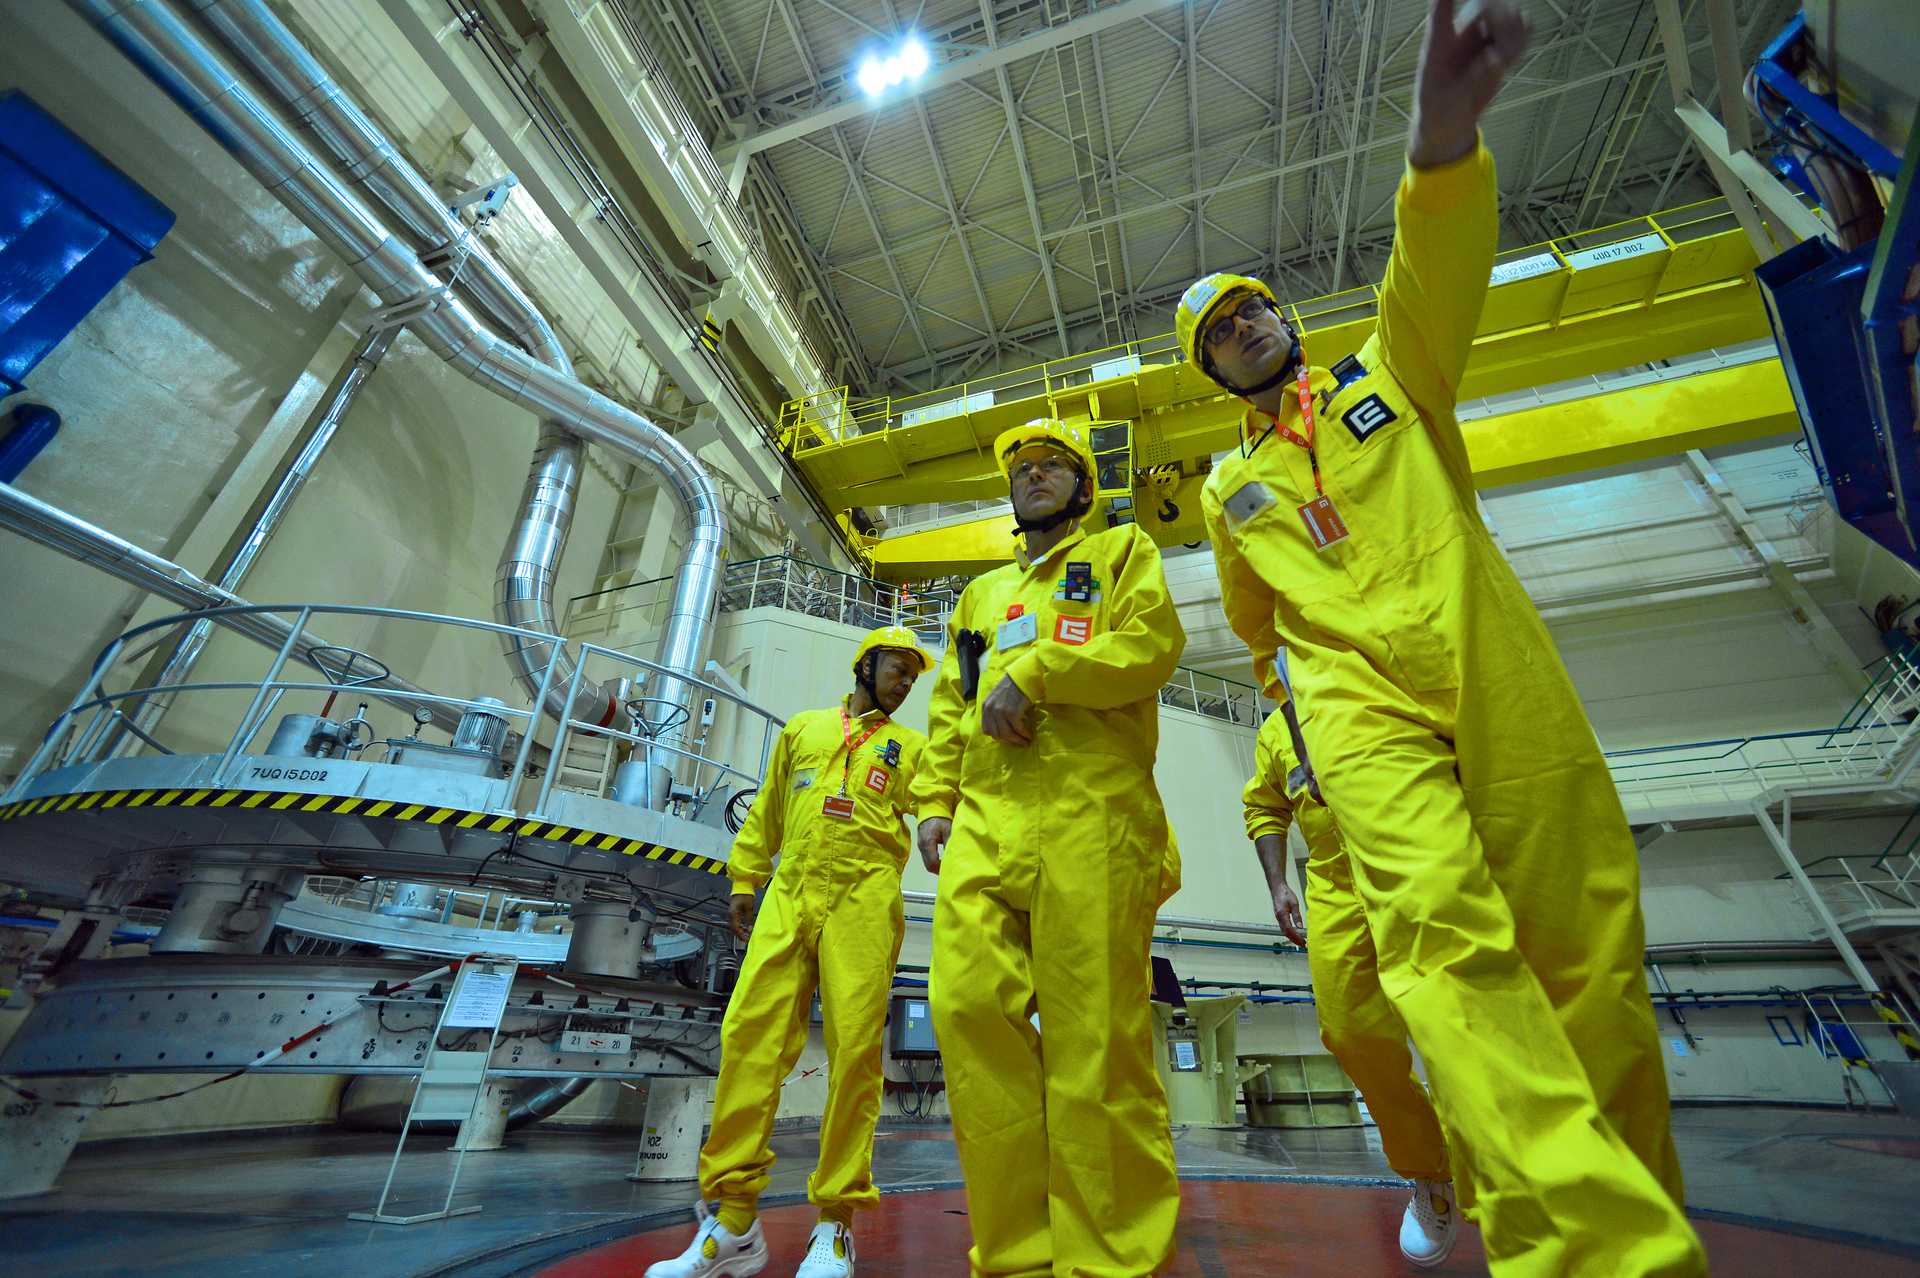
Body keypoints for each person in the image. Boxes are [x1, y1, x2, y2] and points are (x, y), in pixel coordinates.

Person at [1180, 0, 1707, 1272]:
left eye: (1251, 308)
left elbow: (1433, 269)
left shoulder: (1388, 375)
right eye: (1218, 333)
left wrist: (1440, 148)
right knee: (1437, 940)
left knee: (1584, 950)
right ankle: (1589, 1249)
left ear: (1283, 317)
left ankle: (1635, 1199)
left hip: (1488, 656)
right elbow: (1258, 633)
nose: (1245, 327)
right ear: (1211, 374)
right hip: (1352, 707)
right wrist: (1304, 731)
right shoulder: (1228, 490)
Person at [912, 417, 1186, 1278]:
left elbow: (1149, 647)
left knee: (1094, 1041)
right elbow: (953, 703)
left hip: (1090, 816)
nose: (1034, 475)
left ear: (1084, 487)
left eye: (1053, 465)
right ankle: (1018, 1251)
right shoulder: (980, 597)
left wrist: (1039, 672)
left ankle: (1107, 1256)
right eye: (1022, 467)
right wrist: (933, 798)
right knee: (963, 1009)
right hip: (986, 818)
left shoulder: (1120, 554)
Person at [645, 625, 933, 1278]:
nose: (907, 682)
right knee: (749, 1035)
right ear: (865, 665)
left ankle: (835, 1223)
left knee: (855, 1052)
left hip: (864, 896)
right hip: (791, 892)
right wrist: (745, 879)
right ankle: (734, 1221)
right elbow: (768, 810)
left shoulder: (910, 749)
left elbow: (943, 799)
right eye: (898, 668)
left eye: (914, 675)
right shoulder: (805, 729)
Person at [1242, 701, 1461, 1269]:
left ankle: (1509, 1170)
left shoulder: (1375, 686)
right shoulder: (1275, 729)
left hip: (1416, 859)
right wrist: (1278, 885)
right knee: (1348, 1032)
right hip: (1335, 884)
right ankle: (1430, 1168)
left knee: (1457, 1021)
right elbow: (1265, 806)